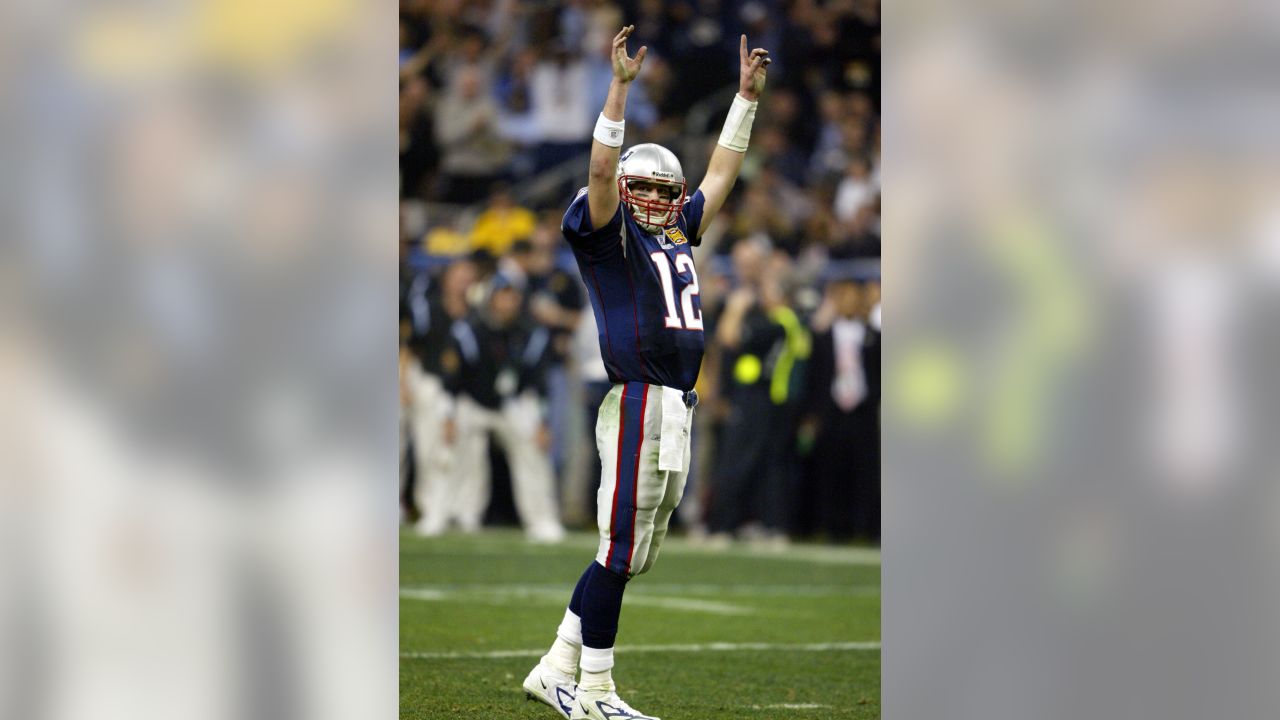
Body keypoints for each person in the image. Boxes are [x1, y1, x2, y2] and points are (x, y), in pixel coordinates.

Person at [522, 26, 771, 720]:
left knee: (633, 554)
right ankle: (594, 689)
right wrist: (621, 89)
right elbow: (602, 174)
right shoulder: (607, 236)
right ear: (627, 191)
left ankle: (555, 666)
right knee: (619, 549)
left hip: (675, 401)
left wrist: (745, 101)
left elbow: (721, 173)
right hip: (637, 397)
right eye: (647, 190)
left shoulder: (680, 230)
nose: (659, 202)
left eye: (668, 191)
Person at [441, 273, 566, 542]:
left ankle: (541, 519)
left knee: (532, 451)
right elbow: (453, 378)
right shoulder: (469, 329)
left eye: (512, 295)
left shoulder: (532, 332)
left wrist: (542, 423)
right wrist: (448, 416)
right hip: (472, 402)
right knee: (463, 455)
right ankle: (462, 515)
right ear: (491, 298)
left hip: (513, 403)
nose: (507, 301)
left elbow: (539, 383)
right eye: (502, 295)